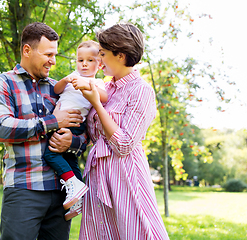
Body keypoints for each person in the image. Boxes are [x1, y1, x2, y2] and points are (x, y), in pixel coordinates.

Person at [0, 22, 86, 240]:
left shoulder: (58, 88)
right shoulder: (4, 83)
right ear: (27, 50)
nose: (53, 60)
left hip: (60, 191)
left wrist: (71, 142)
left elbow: (84, 135)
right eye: (48, 54)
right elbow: (2, 128)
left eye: (55, 54)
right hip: (24, 189)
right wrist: (52, 121)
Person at [77, 23, 170, 239]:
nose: (98, 61)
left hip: (125, 176)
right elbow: (94, 134)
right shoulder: (105, 88)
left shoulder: (141, 91)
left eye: (103, 54)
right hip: (98, 175)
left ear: (120, 55)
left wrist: (97, 106)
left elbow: (125, 144)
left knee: (135, 231)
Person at [43, 40, 108, 220]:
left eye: (90, 60)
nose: (84, 64)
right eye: (80, 60)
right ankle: (78, 196)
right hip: (60, 121)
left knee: (50, 154)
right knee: (70, 160)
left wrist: (87, 85)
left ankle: (73, 183)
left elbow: (104, 97)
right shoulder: (72, 76)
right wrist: (65, 80)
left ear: (100, 64)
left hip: (74, 124)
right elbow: (56, 90)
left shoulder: (97, 82)